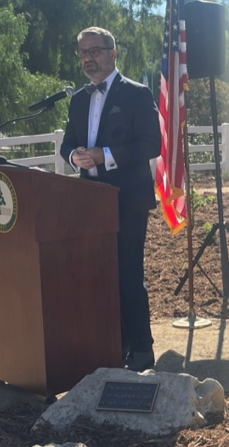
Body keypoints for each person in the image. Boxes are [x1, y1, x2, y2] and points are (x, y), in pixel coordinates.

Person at [60, 27, 160, 371]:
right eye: (82, 53)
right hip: (89, 202)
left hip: (128, 200)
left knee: (127, 275)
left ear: (113, 53)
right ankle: (111, 348)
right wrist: (76, 157)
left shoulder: (136, 94)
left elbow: (152, 145)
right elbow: (66, 144)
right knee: (97, 276)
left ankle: (142, 350)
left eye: (95, 51)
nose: (88, 58)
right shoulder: (78, 100)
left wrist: (106, 155)